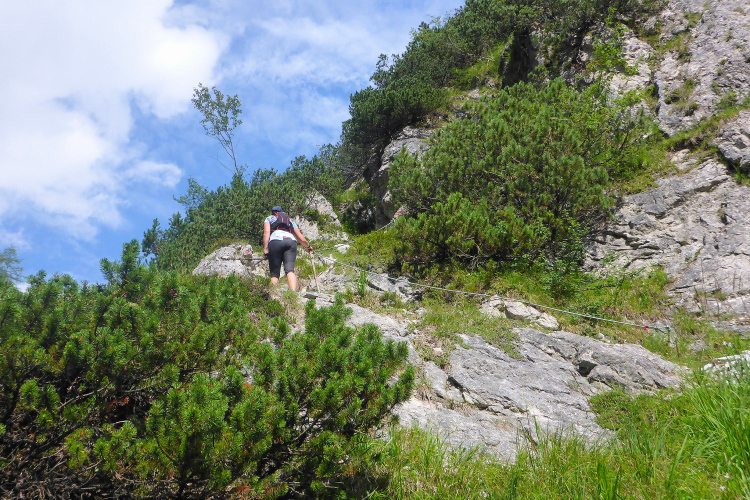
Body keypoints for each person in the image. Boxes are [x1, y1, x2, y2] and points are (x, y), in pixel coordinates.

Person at [263, 206, 313, 292]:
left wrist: (265, 249)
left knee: (274, 274)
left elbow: (266, 233)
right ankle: (293, 294)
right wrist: (308, 246)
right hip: (291, 242)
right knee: (290, 270)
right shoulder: (290, 220)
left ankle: (274, 295)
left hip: (276, 241)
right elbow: (301, 238)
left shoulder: (269, 218)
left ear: (273, 212)